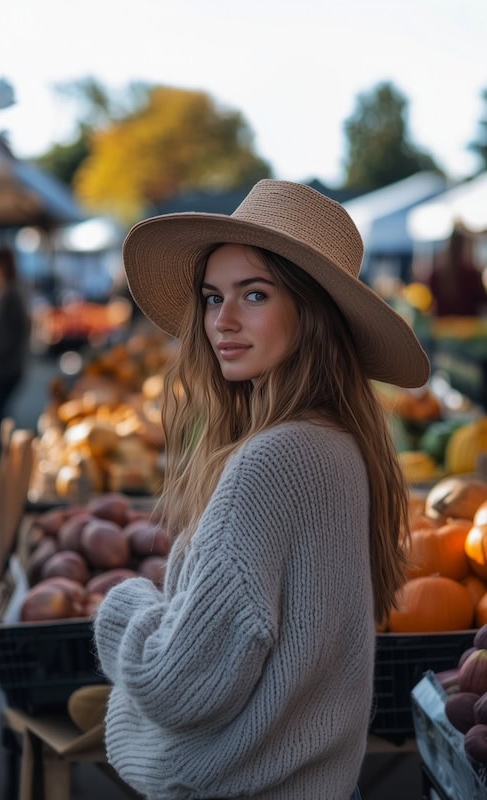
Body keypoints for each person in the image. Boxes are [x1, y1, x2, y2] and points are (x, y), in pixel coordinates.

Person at [94, 180, 430, 800]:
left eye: (254, 294)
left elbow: (177, 683)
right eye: (212, 296)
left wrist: (123, 605)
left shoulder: (271, 462)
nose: (222, 320)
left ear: (312, 312)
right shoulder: (337, 444)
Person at [0, 245, 31, 452]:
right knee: (0, 410)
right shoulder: (12, 292)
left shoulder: (10, 295)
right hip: (11, 365)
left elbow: (7, 337)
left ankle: (5, 456)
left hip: (9, 366)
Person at [427, 225, 487, 317]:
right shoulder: (471, 273)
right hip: (468, 326)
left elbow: (430, 303)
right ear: (465, 247)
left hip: (442, 325)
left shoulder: (436, 273)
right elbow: (482, 300)